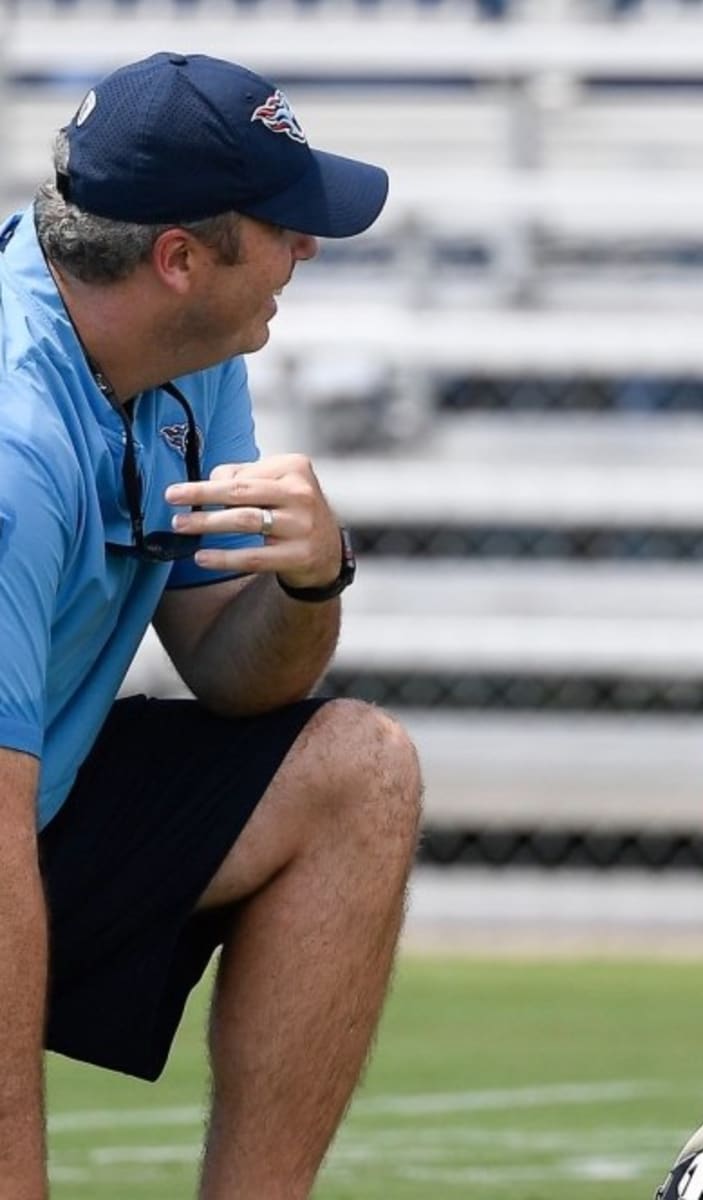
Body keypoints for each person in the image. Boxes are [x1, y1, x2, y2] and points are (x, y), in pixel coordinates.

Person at [0, 52, 423, 1198]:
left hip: (39, 809)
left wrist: (309, 584)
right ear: (179, 259)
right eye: (281, 225)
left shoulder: (182, 351)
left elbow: (238, 677)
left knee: (359, 772)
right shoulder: (13, 441)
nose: (308, 249)